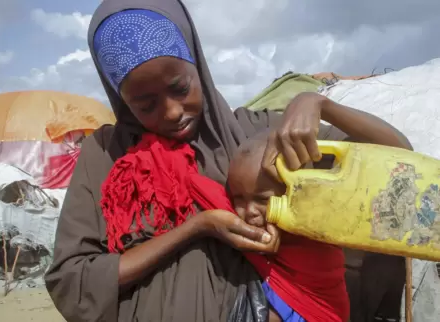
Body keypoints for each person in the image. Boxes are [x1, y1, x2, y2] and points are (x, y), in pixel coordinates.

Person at [44, 1, 412, 321]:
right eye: (146, 105)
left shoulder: (256, 134)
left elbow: (397, 156)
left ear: (197, 66)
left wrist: (319, 103)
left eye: (180, 88)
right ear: (121, 99)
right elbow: (73, 282)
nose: (172, 112)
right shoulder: (107, 155)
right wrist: (196, 227)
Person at [227, 131, 348, 322]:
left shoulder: (318, 237)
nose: (249, 211)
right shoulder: (238, 237)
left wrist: (321, 105)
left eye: (263, 199)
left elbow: (396, 146)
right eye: (238, 198)